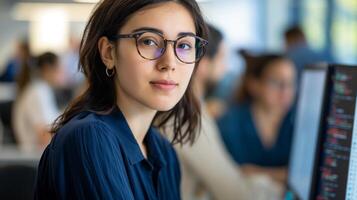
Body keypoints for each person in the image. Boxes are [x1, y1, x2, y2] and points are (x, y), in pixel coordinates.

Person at [34, 0, 208, 199]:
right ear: (109, 52)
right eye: (148, 41)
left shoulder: (162, 151)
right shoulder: (89, 137)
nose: (169, 63)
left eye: (184, 45)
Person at [167, 25, 283, 200]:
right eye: (223, 58)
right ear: (205, 64)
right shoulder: (186, 116)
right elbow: (235, 193)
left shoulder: (195, 109)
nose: (226, 67)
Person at [218, 51, 296, 184]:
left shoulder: (298, 123)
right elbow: (232, 175)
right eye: (276, 82)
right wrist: (284, 174)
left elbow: (304, 176)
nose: (285, 91)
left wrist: (257, 172)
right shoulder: (230, 123)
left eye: (291, 83)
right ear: (254, 85)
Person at [13, 52, 64, 152]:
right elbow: (44, 136)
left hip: (44, 153)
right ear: (47, 68)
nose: (62, 72)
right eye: (59, 68)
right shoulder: (36, 92)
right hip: (36, 156)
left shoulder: (42, 90)